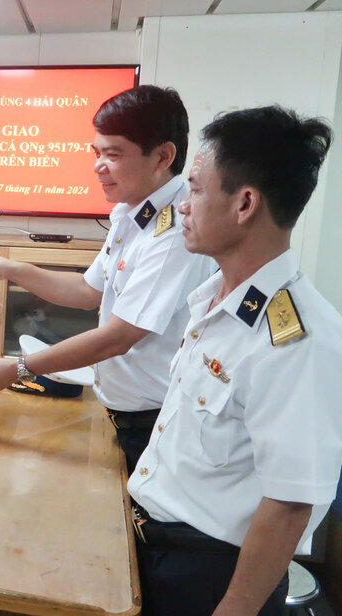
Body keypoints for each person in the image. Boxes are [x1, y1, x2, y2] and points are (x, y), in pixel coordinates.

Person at [127, 106, 342, 616]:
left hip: (210, 576)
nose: (183, 206)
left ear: (245, 204)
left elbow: (290, 504)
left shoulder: (297, 340)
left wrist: (236, 607)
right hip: (154, 548)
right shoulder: (214, 299)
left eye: (196, 189)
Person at [0, 85, 216, 472]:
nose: (98, 166)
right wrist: (10, 268)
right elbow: (86, 290)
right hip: (126, 413)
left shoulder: (173, 233)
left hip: (156, 422)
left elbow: (118, 336)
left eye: (113, 155)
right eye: (96, 153)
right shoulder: (133, 214)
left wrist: (17, 369)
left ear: (163, 156)